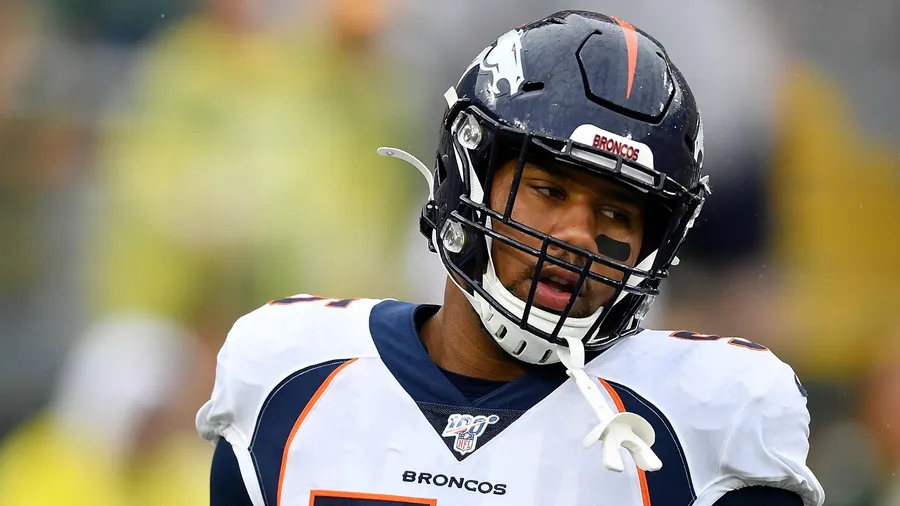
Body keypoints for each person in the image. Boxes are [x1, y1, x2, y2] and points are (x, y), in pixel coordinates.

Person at [197, 10, 825, 506]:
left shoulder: (711, 417)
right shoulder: (291, 376)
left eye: (617, 214)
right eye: (548, 190)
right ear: (467, 177)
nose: (578, 235)